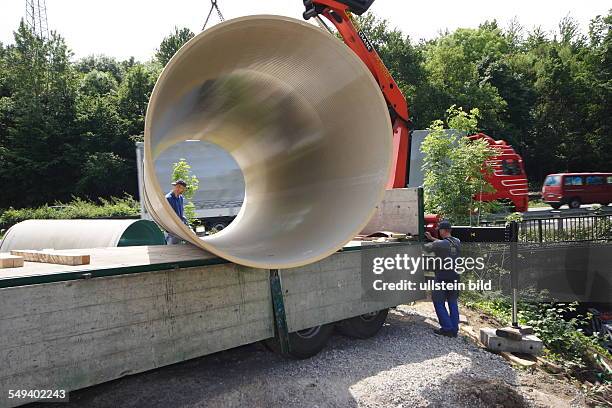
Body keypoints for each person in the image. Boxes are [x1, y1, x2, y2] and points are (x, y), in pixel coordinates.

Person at [424, 220, 461, 337]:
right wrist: (432, 238)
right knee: (452, 302)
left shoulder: (439, 244)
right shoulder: (457, 241)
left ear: (443, 231)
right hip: (455, 276)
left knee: (438, 302)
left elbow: (425, 248)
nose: (438, 232)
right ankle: (454, 328)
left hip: (442, 277)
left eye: (439, 230)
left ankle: (447, 328)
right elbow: (443, 243)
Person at [165, 179, 189, 244]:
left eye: (184, 189)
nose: (184, 190)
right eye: (182, 188)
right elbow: (169, 215)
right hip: (172, 229)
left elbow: (180, 214)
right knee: (173, 248)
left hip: (179, 227)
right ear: (177, 187)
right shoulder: (168, 198)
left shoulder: (180, 198)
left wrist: (185, 223)